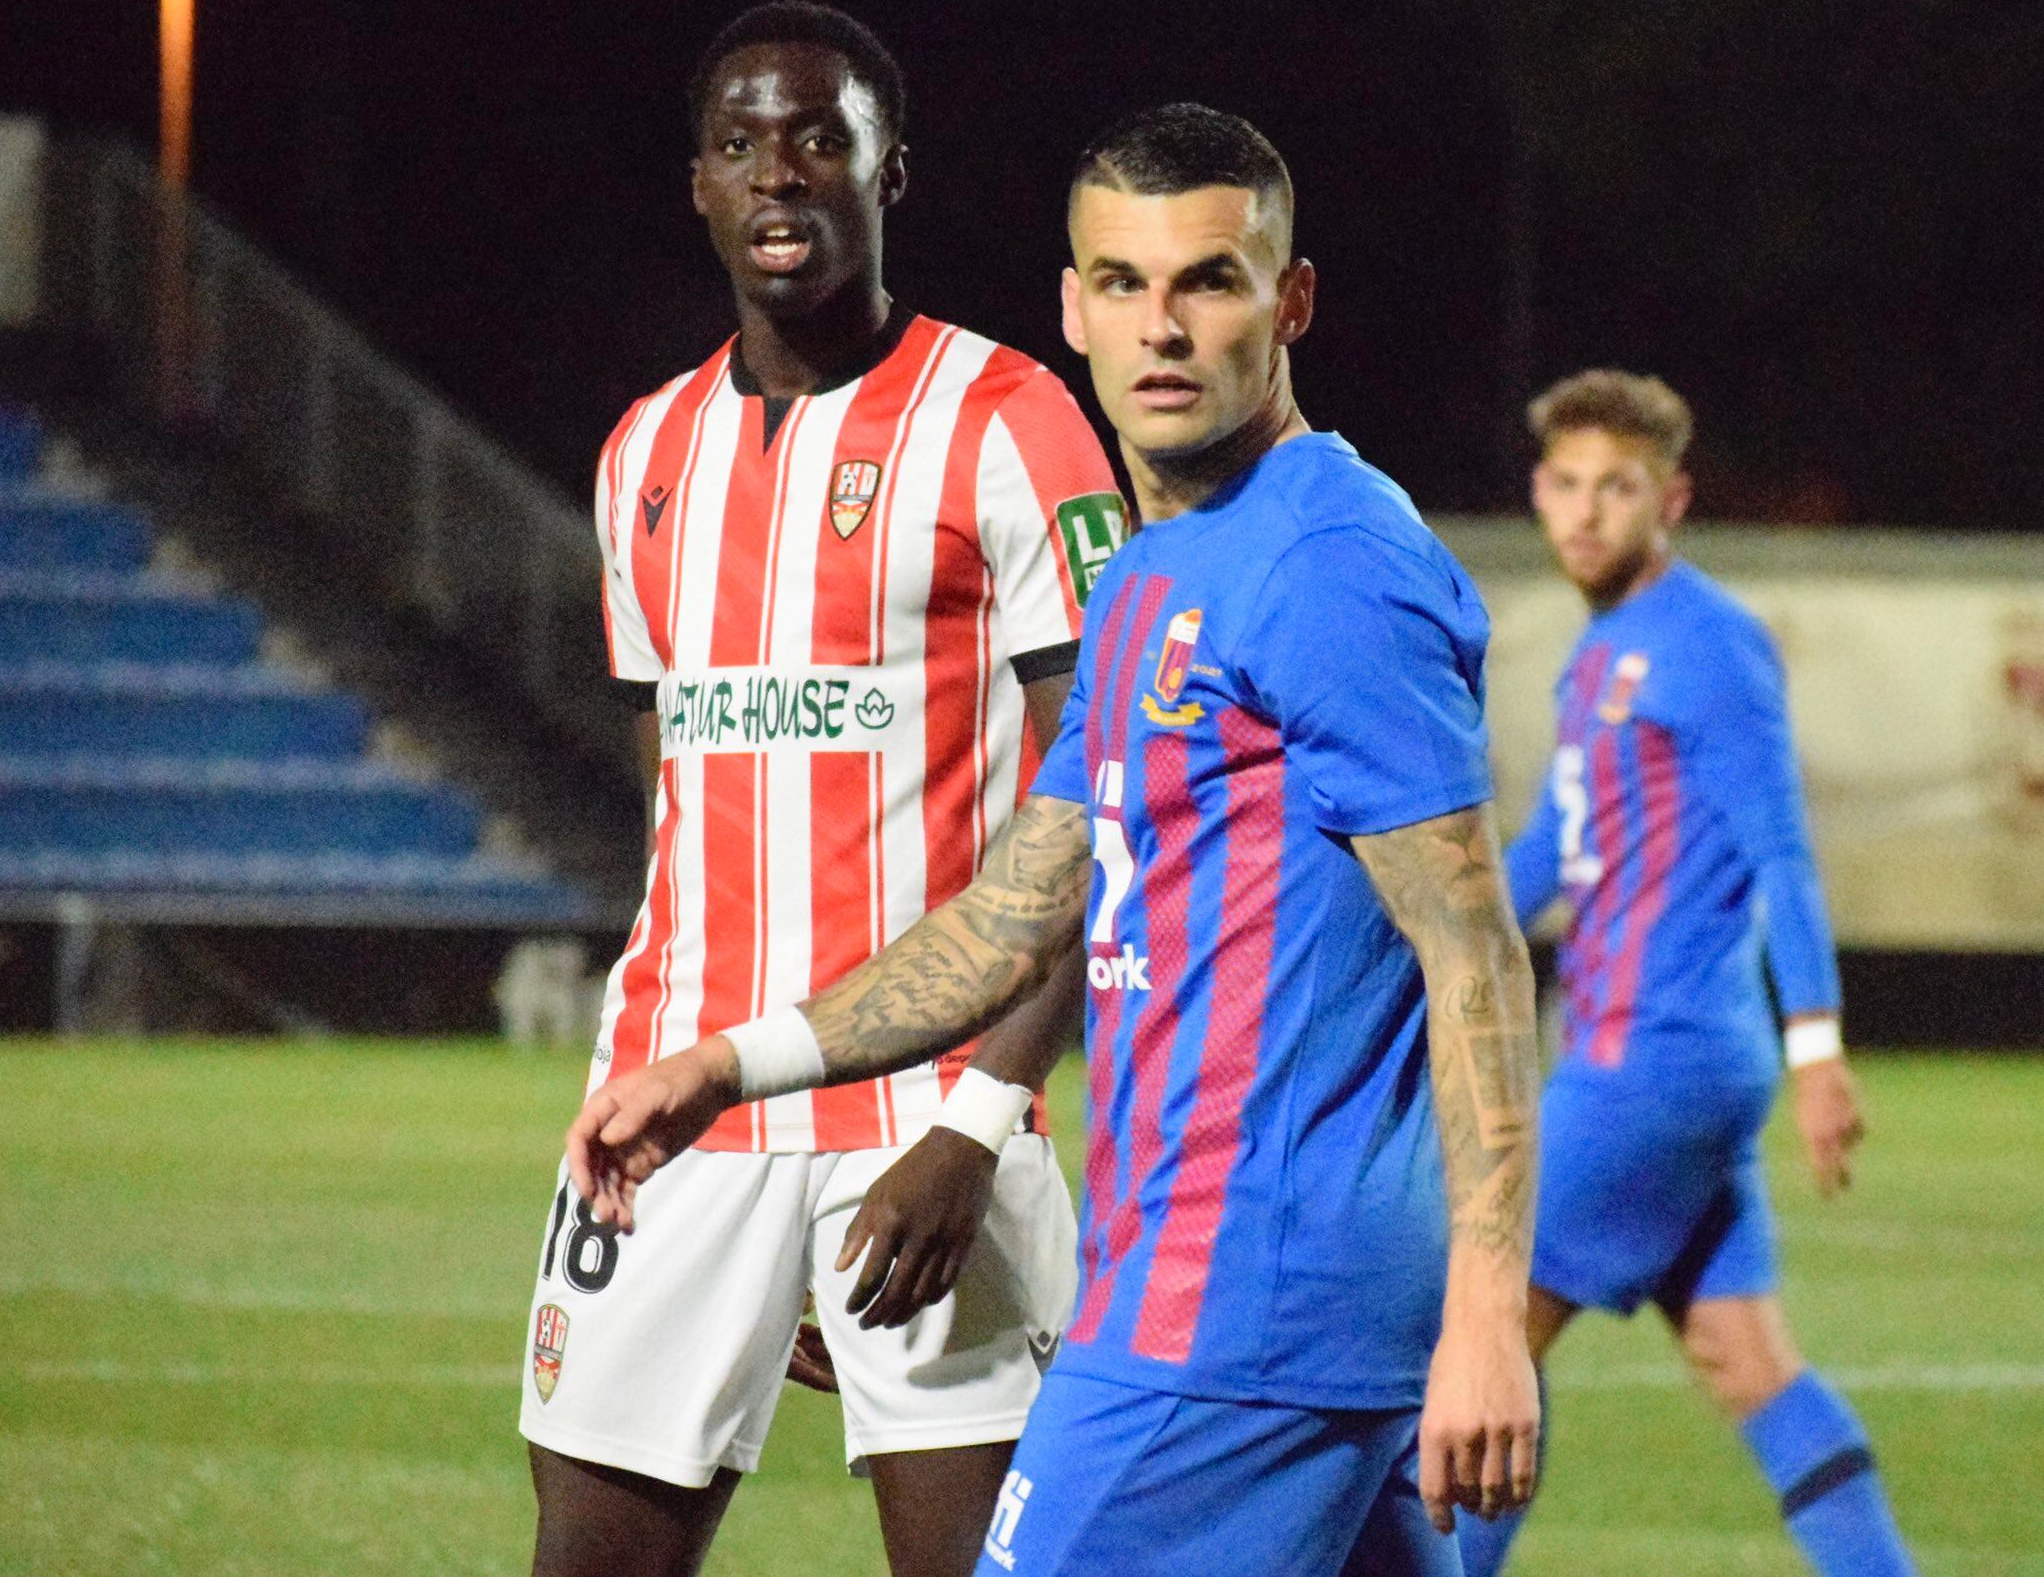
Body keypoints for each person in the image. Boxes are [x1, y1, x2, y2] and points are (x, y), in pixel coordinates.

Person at [567, 103, 1543, 1576]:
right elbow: (1016, 911)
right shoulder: (1155, 572)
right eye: (1126, 283)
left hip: (1240, 1307)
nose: (1164, 326)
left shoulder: (1331, 565)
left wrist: (1489, 1313)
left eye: (1209, 281)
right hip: (1233, 1290)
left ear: (1291, 302)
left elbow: (1472, 947)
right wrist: (727, 1063)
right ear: (1074, 306)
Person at [520, 1, 1128, 1577]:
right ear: (700, 189)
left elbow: (1103, 800)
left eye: (816, 138)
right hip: (675, 1114)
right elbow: (682, 800)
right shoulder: (642, 455)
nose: (776, 173)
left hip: (931, 1114)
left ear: (889, 170)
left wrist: (985, 1114)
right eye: (739, 144)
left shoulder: (1014, 421)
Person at [1456, 371, 1914, 1575]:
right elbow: (1556, 848)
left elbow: (1782, 852)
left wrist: (1820, 1050)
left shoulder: (1708, 645)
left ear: (1672, 500)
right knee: (1747, 1364)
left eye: (1617, 488)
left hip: (1647, 1063)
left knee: (1485, 1345)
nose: (1585, 512)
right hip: (1670, 1070)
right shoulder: (1603, 650)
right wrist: (1426, 934)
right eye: (1564, 485)